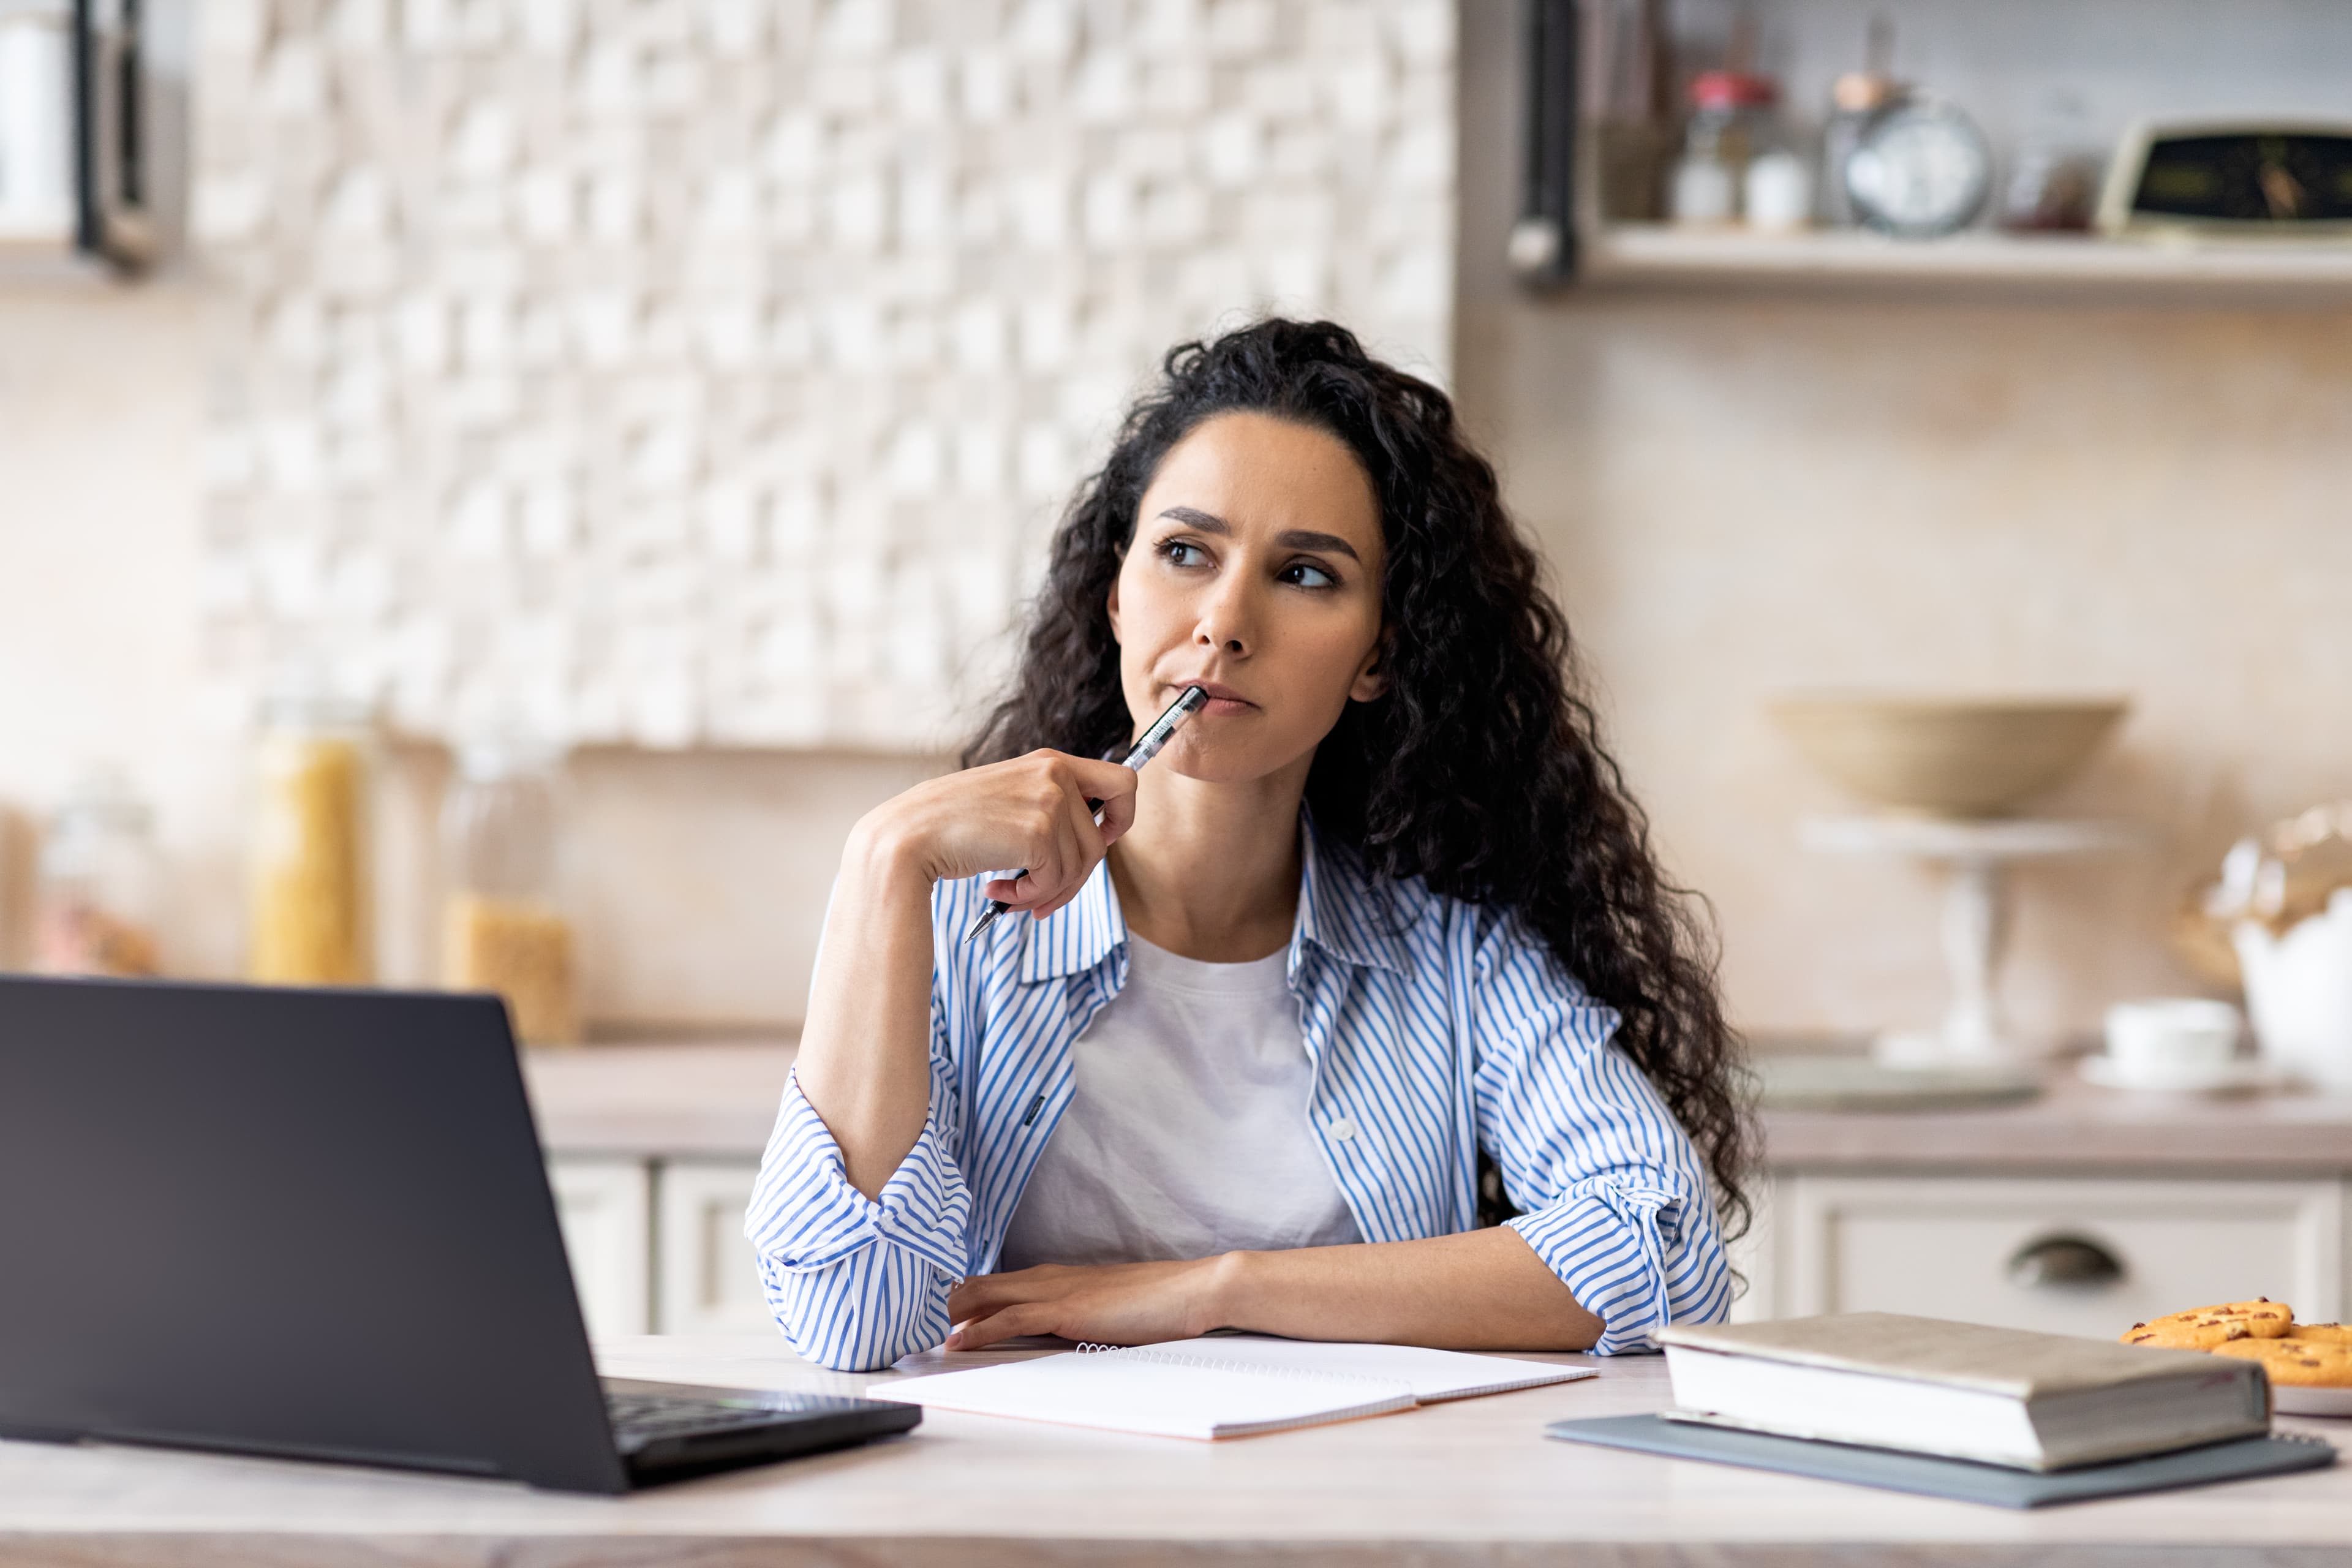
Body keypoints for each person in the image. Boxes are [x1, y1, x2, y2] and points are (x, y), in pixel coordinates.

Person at [746, 318, 1752, 1373]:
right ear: (1118, 597)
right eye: (1185, 553)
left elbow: (1666, 1253)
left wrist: (1214, 1290)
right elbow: (848, 1321)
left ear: (1376, 658)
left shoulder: (1457, 952)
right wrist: (884, 859)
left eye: (1307, 575)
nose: (1224, 622)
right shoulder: (956, 924)